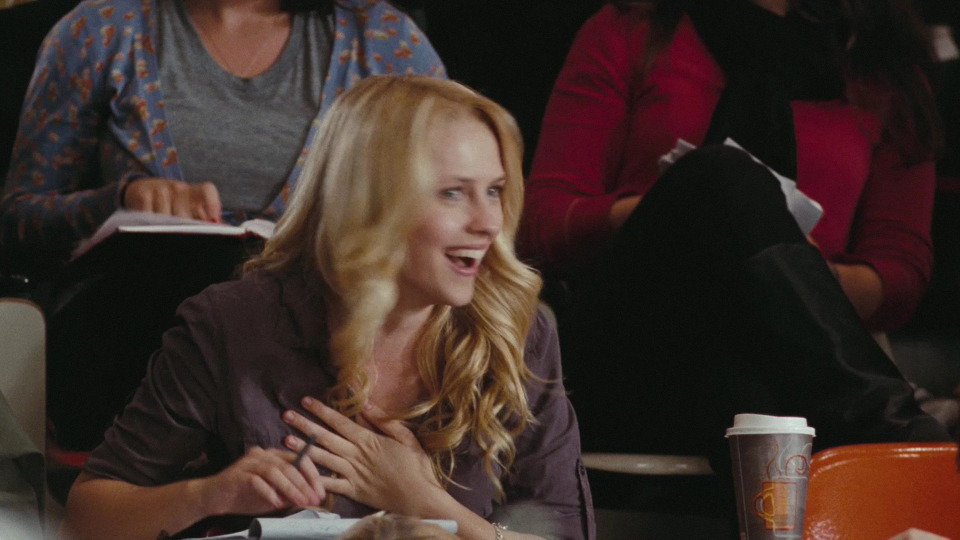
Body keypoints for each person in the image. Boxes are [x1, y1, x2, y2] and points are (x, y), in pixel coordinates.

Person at [59, 76, 595, 540]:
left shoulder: (517, 332)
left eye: (495, 191)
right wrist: (207, 495)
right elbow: (84, 519)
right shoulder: (232, 323)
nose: (488, 222)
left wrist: (425, 503)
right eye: (453, 193)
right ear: (371, 199)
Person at [519, 0, 951, 480]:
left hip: (778, 375)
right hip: (638, 348)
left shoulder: (885, 60)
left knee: (752, 387)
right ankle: (905, 444)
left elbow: (899, 273)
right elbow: (542, 223)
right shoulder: (631, 27)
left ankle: (896, 444)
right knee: (720, 178)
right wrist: (687, 206)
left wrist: (801, 266)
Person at [0, 0, 446, 453]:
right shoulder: (101, 29)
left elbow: (456, 199)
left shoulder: (383, 39)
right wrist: (120, 199)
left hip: (326, 352)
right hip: (132, 343)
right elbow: (18, 221)